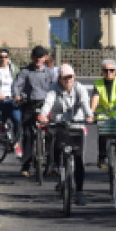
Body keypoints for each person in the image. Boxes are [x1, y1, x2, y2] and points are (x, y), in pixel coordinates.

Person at [38, 63, 94, 206]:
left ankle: (80, 192)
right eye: (65, 78)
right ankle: (56, 165)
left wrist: (89, 115)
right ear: (60, 79)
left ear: (74, 77)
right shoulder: (53, 89)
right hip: (59, 123)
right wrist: (43, 115)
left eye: (70, 77)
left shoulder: (79, 88)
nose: (68, 80)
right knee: (56, 141)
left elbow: (85, 103)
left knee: (79, 158)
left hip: (77, 123)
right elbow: (48, 103)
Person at [13, 45, 56, 177]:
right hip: (29, 104)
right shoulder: (25, 71)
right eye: (36, 56)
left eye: (41, 56)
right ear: (32, 57)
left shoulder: (49, 72)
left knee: (51, 134)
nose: (38, 59)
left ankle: (51, 166)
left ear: (44, 58)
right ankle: (26, 165)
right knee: (28, 134)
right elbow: (16, 85)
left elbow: (55, 86)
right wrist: (17, 95)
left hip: (45, 105)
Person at [90, 58, 116, 168]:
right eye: (105, 70)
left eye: (111, 70)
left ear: (115, 71)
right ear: (102, 71)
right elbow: (95, 98)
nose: (108, 73)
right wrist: (91, 113)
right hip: (104, 115)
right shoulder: (98, 83)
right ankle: (102, 158)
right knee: (102, 133)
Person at [0, 48, 21, 157]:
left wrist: (18, 95)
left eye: (5, 57)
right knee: (7, 107)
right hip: (0, 98)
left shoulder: (14, 69)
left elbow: (19, 82)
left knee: (18, 120)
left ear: (8, 58)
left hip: (13, 98)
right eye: (1, 57)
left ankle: (16, 144)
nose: (3, 59)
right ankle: (2, 127)